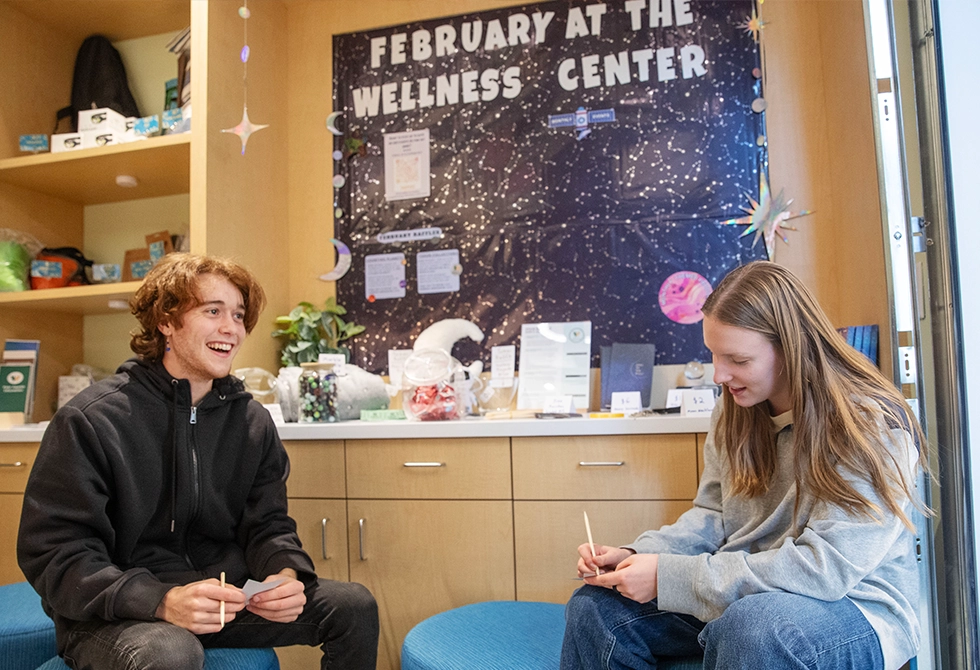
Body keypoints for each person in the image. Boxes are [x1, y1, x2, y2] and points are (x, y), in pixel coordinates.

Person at [560, 261, 929, 670]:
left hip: (851, 604)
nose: (720, 374)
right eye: (714, 355)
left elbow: (823, 571)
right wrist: (638, 554)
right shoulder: (733, 409)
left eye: (737, 359)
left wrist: (669, 577)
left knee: (752, 628)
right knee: (596, 607)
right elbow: (713, 516)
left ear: (790, 349)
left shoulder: (872, 423)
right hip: (743, 592)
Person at [18, 253, 379, 670]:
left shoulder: (251, 421)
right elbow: (55, 552)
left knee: (353, 606)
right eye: (213, 311)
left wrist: (284, 574)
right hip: (114, 611)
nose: (232, 328)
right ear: (166, 321)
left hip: (220, 599)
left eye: (238, 315)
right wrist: (160, 600)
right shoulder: (91, 420)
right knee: (172, 651)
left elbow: (267, 524)